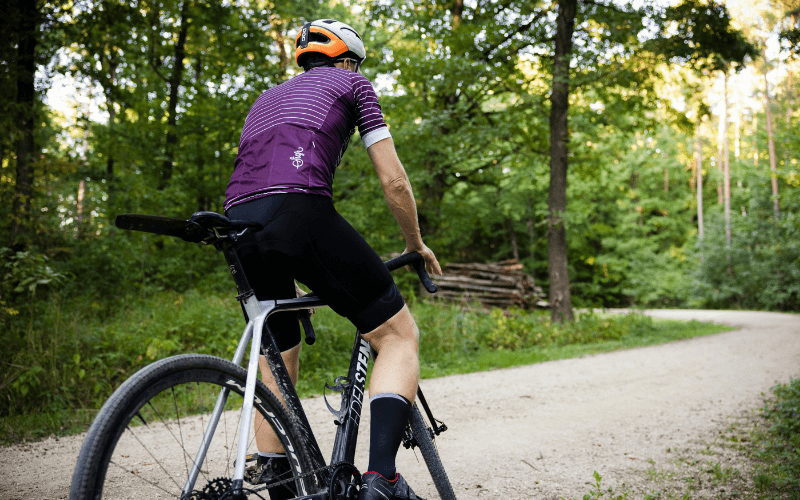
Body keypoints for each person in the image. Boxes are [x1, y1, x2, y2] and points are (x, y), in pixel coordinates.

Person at [223, 18, 442, 500]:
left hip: (236, 223)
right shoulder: (352, 82)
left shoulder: (265, 98)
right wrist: (414, 245)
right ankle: (382, 480)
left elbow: (259, 179)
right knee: (398, 335)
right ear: (346, 59)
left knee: (276, 351)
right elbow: (395, 181)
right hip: (299, 209)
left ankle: (283, 484)